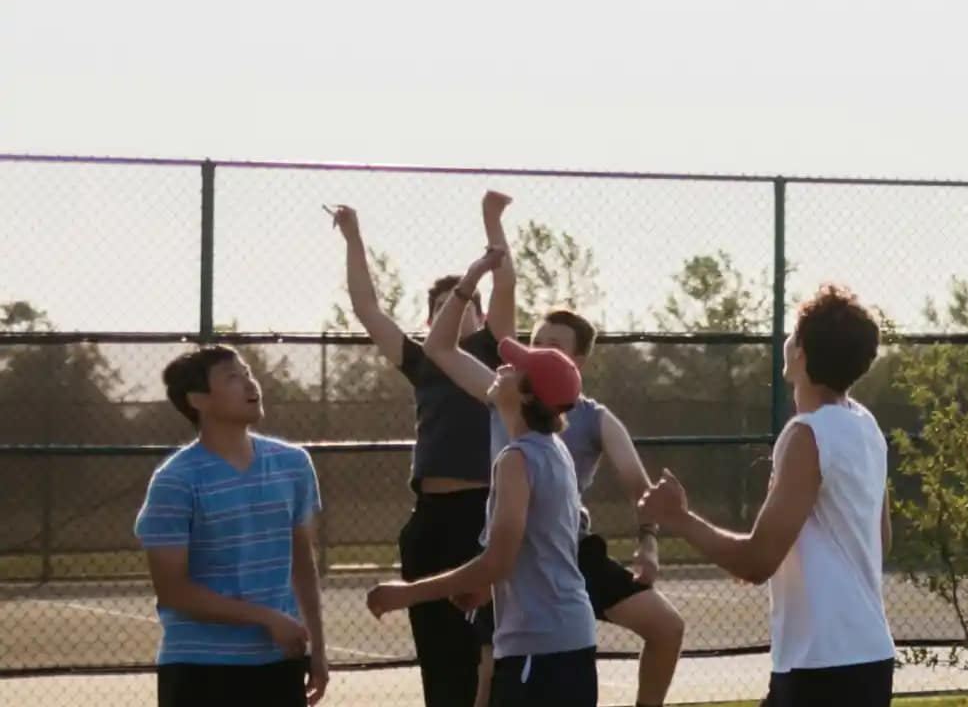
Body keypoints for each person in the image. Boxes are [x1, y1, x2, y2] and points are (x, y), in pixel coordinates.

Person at [413, 225, 685, 707]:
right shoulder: (506, 395)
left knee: (666, 628)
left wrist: (649, 546)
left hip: (569, 552)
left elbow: (637, 485)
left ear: (578, 361)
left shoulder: (595, 419)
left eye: (553, 346)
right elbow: (439, 349)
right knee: (489, 676)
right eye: (535, 342)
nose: (537, 352)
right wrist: (471, 280)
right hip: (517, 556)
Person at [637, 284, 894, 707]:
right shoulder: (866, 426)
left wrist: (679, 518)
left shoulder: (807, 435)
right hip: (864, 658)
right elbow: (879, 542)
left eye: (793, 333)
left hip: (823, 668)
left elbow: (757, 562)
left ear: (800, 354)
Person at [367, 247, 599, 707]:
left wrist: (406, 594)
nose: (504, 365)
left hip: (543, 645)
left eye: (516, 367)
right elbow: (438, 347)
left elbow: (498, 561)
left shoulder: (520, 457)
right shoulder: (537, 441)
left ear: (528, 395)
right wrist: (470, 278)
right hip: (555, 639)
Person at [332, 192, 515, 707]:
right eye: (439, 309)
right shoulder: (422, 363)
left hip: (481, 513)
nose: (452, 313)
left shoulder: (493, 352)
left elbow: (506, 282)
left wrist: (492, 222)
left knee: (485, 646)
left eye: (460, 306)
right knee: (436, 649)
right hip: (429, 516)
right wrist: (354, 238)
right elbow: (366, 307)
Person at [135, 346, 328, 707]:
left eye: (247, 372)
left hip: (279, 662)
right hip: (199, 667)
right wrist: (266, 617)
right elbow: (173, 591)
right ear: (198, 400)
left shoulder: (293, 464)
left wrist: (317, 646)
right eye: (232, 377)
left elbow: (303, 562)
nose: (249, 382)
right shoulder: (174, 481)